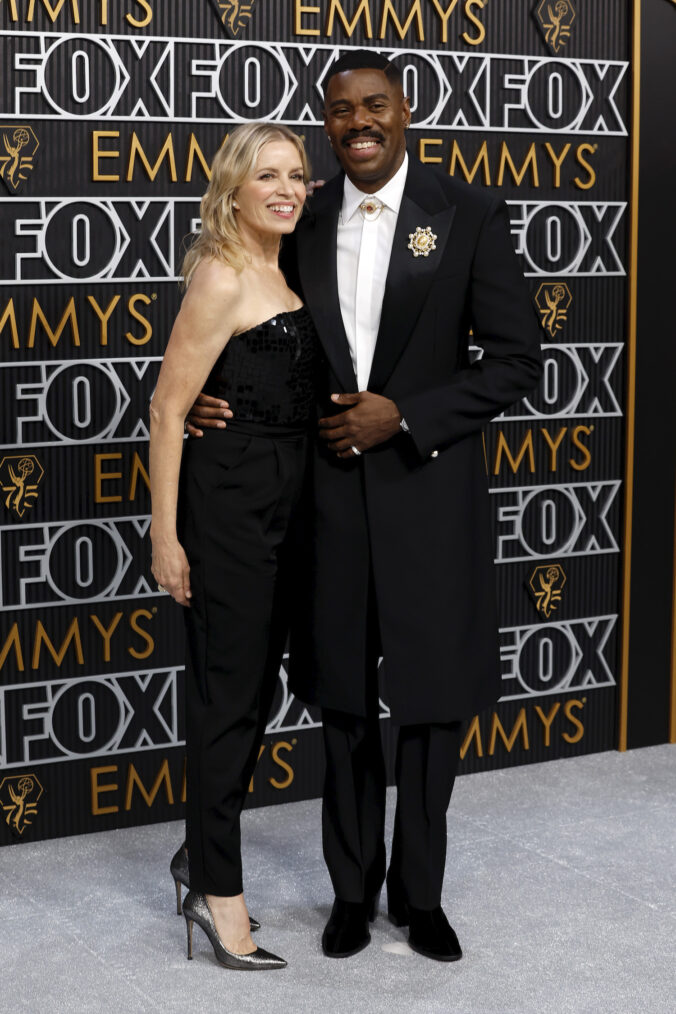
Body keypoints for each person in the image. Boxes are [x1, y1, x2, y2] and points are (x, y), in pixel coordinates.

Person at [187, 50, 543, 963]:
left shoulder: (468, 213)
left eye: (374, 105)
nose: (358, 124)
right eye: (340, 112)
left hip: (429, 495)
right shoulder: (299, 221)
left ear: (406, 109)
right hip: (328, 503)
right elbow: (237, 314)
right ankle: (351, 891)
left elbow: (515, 361)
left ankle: (418, 897)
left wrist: (409, 415)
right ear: (327, 124)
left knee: (429, 704)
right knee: (343, 700)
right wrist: (202, 399)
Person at [149, 121, 320, 970]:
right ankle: (221, 899)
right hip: (230, 514)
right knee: (228, 704)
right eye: (268, 176)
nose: (287, 189)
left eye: (297, 174)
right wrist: (165, 535)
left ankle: (198, 857)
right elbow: (168, 408)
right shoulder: (220, 274)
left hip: (291, 508)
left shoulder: (283, 263)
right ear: (233, 188)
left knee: (250, 697)